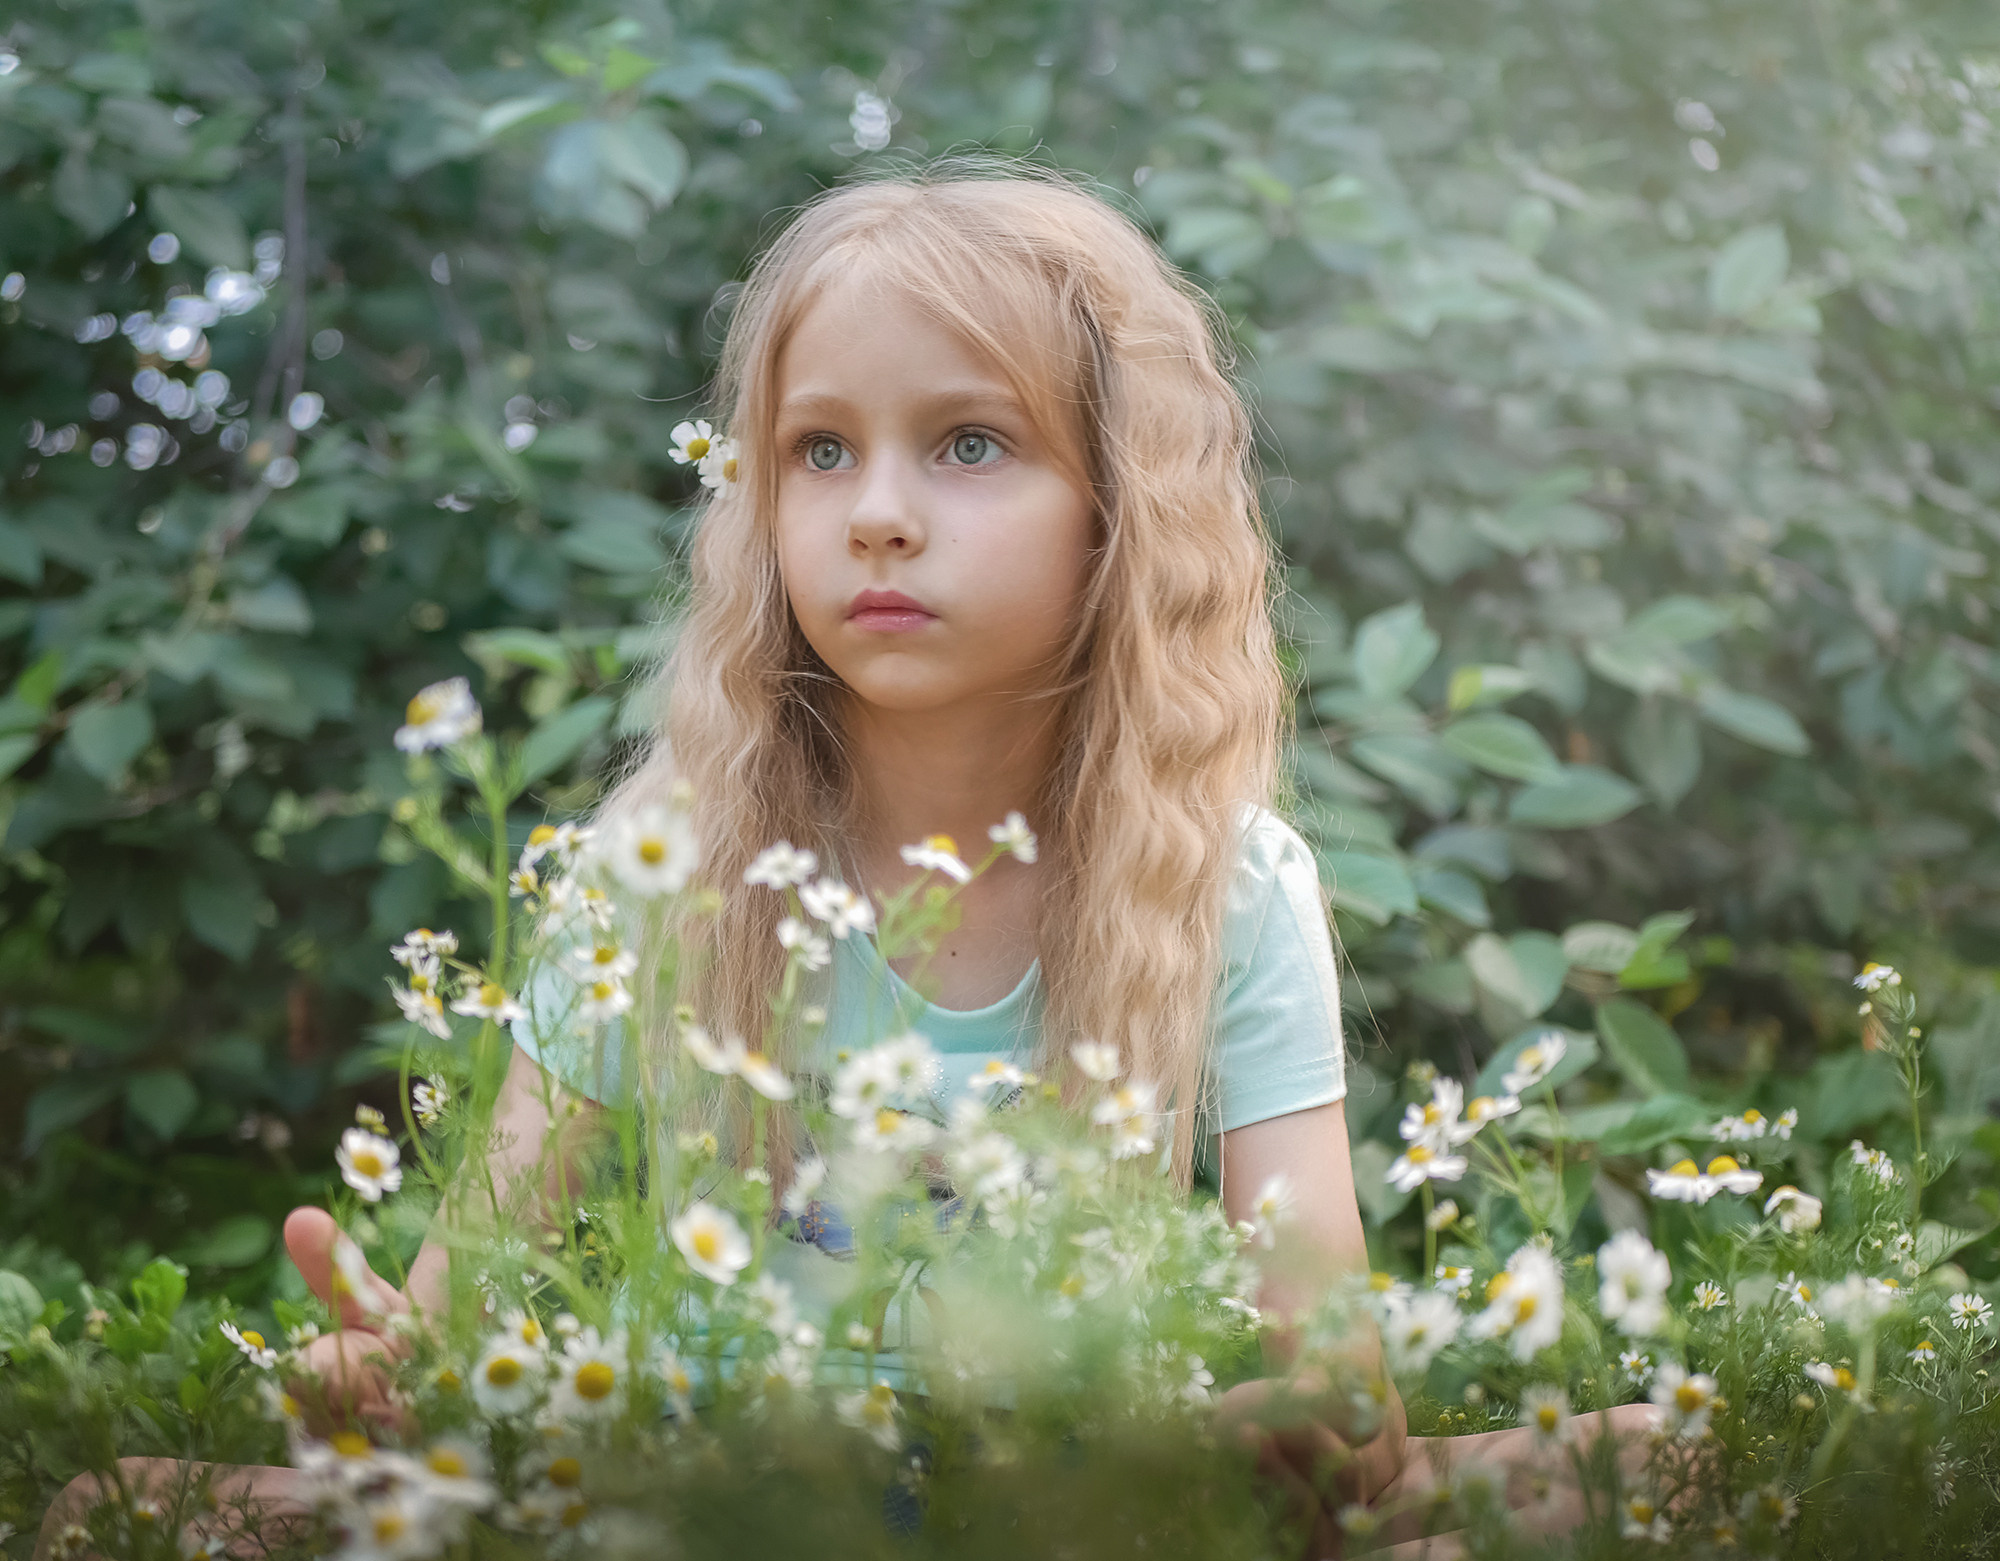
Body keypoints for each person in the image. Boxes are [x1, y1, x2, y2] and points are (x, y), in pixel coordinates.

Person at [38, 163, 1649, 1561]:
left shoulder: (1224, 876)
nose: (877, 513)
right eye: (820, 450)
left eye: (966, 444)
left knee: (1654, 1457)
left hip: (1084, 1503)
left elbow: (1331, 1364)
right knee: (122, 1505)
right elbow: (461, 1308)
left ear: (1121, 514)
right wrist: (390, 1369)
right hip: (720, 1501)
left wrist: (1305, 1416)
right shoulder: (664, 863)